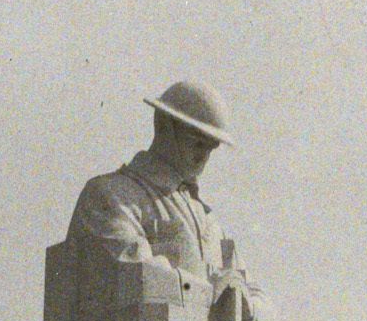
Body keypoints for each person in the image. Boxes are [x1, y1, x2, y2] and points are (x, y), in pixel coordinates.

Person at [67, 80, 257, 303]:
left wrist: (244, 302)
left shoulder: (210, 224)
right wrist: (210, 287)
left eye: (211, 148)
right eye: (196, 144)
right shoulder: (109, 195)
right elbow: (135, 273)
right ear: (164, 126)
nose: (204, 156)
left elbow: (256, 295)